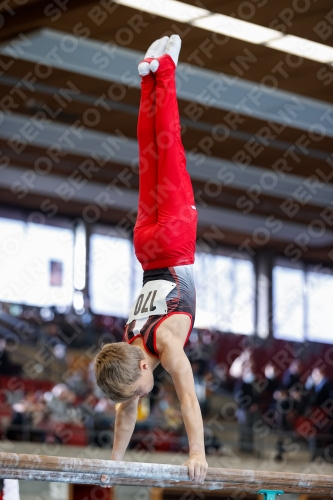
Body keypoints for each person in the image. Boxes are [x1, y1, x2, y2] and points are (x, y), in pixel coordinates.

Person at [94, 35, 207, 485]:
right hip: (146, 244)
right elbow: (125, 415)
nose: (143, 398)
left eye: (141, 390)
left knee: (170, 149)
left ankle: (167, 70)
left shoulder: (165, 346)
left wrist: (196, 453)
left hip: (176, 240)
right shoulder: (127, 340)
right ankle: (149, 78)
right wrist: (111, 469)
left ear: (142, 367)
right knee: (149, 159)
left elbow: (189, 398)